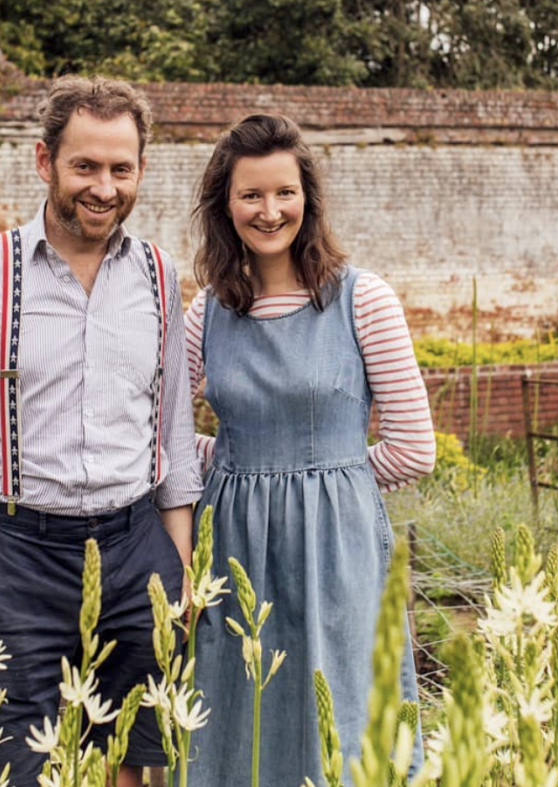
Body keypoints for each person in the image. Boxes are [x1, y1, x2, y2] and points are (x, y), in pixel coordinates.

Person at [0, 76, 203, 787]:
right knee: (13, 766)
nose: (104, 186)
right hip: (14, 557)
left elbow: (173, 431)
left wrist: (178, 567)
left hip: (135, 549)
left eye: (121, 168)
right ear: (43, 161)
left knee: (140, 762)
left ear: (141, 170)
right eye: (85, 165)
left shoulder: (159, 274)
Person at [183, 114, 436, 787]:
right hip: (234, 540)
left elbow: (414, 446)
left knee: (345, 714)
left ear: (309, 198)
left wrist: (337, 476)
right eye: (251, 196)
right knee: (241, 709)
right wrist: (235, 466)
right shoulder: (205, 312)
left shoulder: (363, 300)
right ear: (225, 205)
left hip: (338, 544)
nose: (269, 211)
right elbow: (165, 436)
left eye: (284, 193)